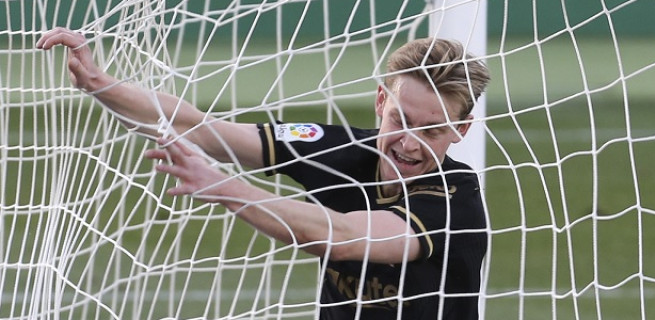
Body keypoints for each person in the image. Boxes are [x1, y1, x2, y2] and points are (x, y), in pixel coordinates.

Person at [36, 27, 491, 319]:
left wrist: (225, 187)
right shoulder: (343, 150)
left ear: (462, 129)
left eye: (433, 130)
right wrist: (98, 83)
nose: (410, 143)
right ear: (379, 103)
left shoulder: (457, 201)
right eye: (400, 120)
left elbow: (344, 235)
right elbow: (201, 129)